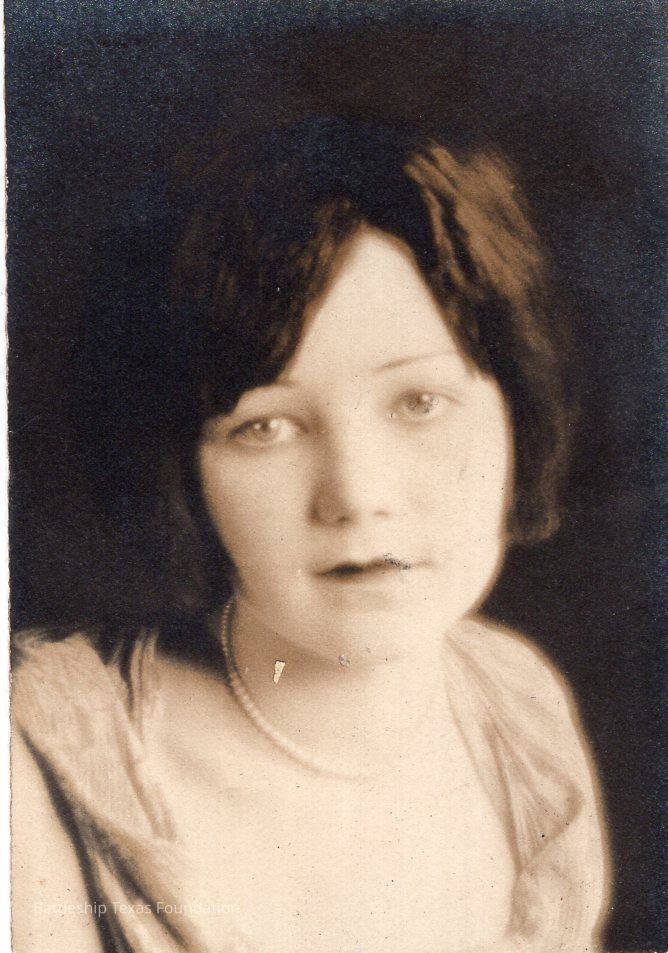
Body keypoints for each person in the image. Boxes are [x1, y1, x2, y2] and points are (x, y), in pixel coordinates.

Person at [11, 116, 610, 952]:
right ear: (182, 464)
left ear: (516, 409)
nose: (356, 497)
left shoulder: (517, 700)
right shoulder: (33, 755)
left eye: (420, 403)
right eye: (265, 426)